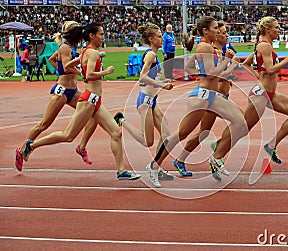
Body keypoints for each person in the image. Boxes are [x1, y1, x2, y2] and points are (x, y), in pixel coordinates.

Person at [19, 22, 140, 181]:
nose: (103, 37)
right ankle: (31, 145)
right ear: (92, 36)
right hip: (87, 99)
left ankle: (121, 170)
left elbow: (68, 65)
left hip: (94, 99)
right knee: (67, 135)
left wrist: (77, 69)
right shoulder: (89, 53)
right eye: (101, 34)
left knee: (116, 132)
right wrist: (105, 71)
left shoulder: (85, 52)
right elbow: (89, 75)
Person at [145, 16, 246, 187]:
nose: (217, 31)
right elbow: (213, 74)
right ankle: (153, 166)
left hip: (212, 96)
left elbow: (191, 68)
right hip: (202, 96)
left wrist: (213, 66)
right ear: (205, 31)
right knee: (182, 133)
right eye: (215, 28)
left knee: (241, 122)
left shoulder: (208, 48)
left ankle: (216, 157)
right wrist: (228, 61)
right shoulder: (205, 46)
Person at [210, 16, 288, 180]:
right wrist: (287, 59)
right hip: (261, 94)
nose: (279, 30)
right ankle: (217, 155)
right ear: (268, 30)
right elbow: (271, 69)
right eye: (276, 27)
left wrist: (257, 76)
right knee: (242, 128)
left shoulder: (266, 46)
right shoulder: (264, 46)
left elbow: (245, 65)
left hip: (270, 94)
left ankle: (271, 145)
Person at [15, 21, 98, 171]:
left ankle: (82, 147)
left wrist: (60, 71)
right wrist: (82, 73)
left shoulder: (69, 47)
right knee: (44, 124)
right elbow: (67, 66)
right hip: (61, 92)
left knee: (92, 114)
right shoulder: (65, 47)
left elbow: (53, 59)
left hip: (72, 92)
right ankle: (22, 150)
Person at [173, 21, 240, 177]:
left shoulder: (222, 51)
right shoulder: (211, 50)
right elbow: (215, 74)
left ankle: (182, 159)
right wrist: (224, 70)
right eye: (222, 32)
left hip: (221, 96)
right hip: (213, 97)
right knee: (240, 122)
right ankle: (216, 152)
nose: (225, 35)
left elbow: (193, 69)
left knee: (204, 132)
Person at [113, 23, 175, 180]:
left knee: (167, 135)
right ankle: (122, 120)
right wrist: (162, 85)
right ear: (151, 39)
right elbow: (142, 77)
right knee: (147, 141)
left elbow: (151, 77)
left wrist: (163, 80)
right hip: (145, 102)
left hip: (152, 101)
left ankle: (156, 166)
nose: (162, 39)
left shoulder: (155, 54)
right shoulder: (151, 55)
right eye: (159, 36)